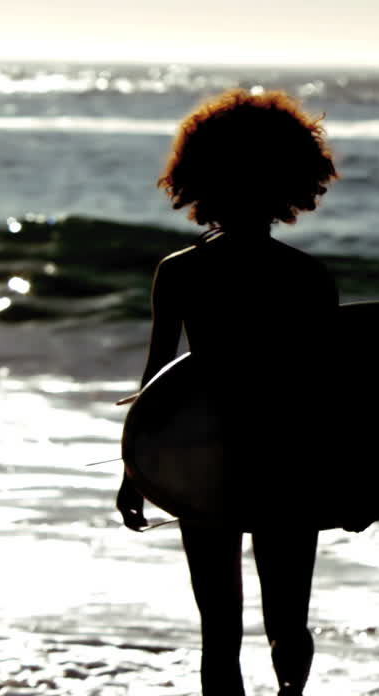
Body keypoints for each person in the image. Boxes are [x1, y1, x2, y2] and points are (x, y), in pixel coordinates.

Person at [115, 88, 339, 696]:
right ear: (293, 181)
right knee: (287, 624)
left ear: (199, 178)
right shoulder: (306, 277)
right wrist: (351, 482)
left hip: (201, 460)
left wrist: (136, 471)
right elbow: (329, 394)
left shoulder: (181, 271)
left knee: (220, 632)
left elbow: (157, 385)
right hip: (288, 462)